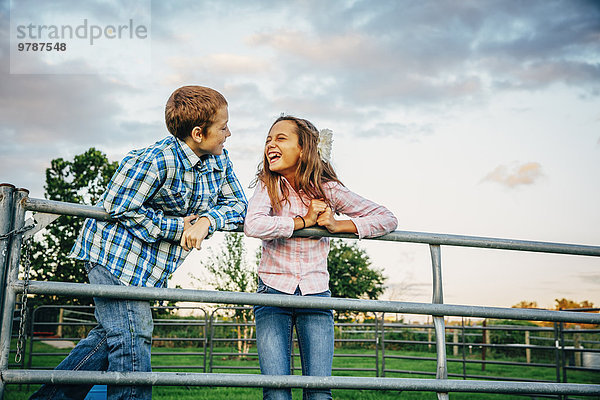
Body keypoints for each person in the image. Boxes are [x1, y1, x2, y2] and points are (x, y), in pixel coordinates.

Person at [30, 85, 247, 400]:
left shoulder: (219, 161)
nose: (230, 132)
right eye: (223, 126)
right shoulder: (157, 159)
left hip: (148, 267)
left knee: (109, 339)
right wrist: (176, 227)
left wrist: (207, 221)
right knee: (134, 334)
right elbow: (118, 206)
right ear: (199, 133)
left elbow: (239, 206)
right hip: (114, 257)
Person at [244, 115, 397, 400]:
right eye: (268, 140)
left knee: (319, 393)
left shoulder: (328, 189)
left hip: (316, 294)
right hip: (272, 294)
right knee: (276, 393)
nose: (270, 145)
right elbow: (253, 225)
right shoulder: (269, 186)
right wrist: (302, 222)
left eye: (280, 138)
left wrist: (339, 225)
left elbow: (387, 218)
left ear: (303, 149)